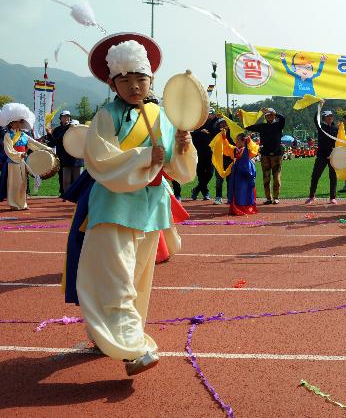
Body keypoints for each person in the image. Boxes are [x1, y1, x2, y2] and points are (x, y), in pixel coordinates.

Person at [70, 34, 196, 376]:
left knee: (139, 281)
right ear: (112, 83)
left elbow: (178, 170)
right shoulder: (106, 116)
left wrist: (182, 146)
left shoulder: (163, 116)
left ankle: (119, 336)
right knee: (117, 279)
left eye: (140, 78)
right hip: (114, 205)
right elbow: (100, 161)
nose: (133, 86)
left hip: (150, 207)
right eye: (124, 80)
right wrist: (144, 155)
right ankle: (132, 349)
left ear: (151, 79)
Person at [0, 103, 54, 210]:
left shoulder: (24, 135)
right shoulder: (8, 135)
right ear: (11, 124)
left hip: (23, 162)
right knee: (14, 183)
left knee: (23, 183)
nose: (18, 124)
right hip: (13, 161)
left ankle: (22, 203)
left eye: (20, 122)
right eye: (16, 122)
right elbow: (8, 150)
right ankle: (14, 204)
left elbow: (34, 144)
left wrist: (47, 149)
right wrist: (19, 154)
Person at [245, 107, 286, 205]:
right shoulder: (262, 126)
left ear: (274, 115)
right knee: (266, 177)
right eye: (267, 115)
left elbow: (283, 118)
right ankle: (268, 198)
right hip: (265, 155)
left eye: (271, 115)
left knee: (276, 177)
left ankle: (276, 197)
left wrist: (274, 112)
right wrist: (242, 117)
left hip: (277, 155)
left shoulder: (278, 125)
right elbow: (248, 127)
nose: (269, 116)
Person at [214, 131, 259, 216]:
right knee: (236, 189)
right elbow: (227, 148)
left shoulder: (248, 149)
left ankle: (247, 208)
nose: (236, 142)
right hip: (237, 172)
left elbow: (255, 149)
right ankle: (236, 208)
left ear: (243, 141)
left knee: (246, 189)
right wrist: (224, 139)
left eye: (238, 140)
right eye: (236, 140)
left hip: (246, 172)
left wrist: (249, 141)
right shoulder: (235, 150)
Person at [43, 110, 83, 196]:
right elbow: (54, 143)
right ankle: (65, 194)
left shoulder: (74, 127)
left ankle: (75, 196)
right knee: (64, 179)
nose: (66, 118)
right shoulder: (57, 129)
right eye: (64, 116)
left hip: (76, 158)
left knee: (76, 180)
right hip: (63, 157)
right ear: (60, 118)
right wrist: (49, 135)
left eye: (68, 116)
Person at [306, 109, 337, 204]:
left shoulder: (336, 128)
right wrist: (319, 107)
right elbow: (316, 119)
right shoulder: (321, 126)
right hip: (321, 155)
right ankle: (311, 196)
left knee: (333, 177)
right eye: (328, 116)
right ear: (324, 117)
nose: (330, 117)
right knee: (315, 175)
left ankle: (332, 197)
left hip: (332, 155)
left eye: (331, 115)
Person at [189, 108, 217, 200]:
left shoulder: (215, 123)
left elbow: (222, 126)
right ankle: (205, 192)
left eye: (210, 114)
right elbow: (190, 133)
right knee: (200, 173)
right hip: (199, 152)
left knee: (210, 172)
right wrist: (201, 131)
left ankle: (196, 189)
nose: (208, 115)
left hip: (210, 152)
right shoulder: (198, 123)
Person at [210, 118, 233, 204]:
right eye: (221, 123)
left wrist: (230, 116)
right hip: (219, 160)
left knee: (230, 180)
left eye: (225, 123)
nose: (223, 125)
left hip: (229, 160)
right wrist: (215, 118)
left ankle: (229, 197)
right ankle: (218, 197)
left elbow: (232, 124)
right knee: (219, 180)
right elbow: (211, 128)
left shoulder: (231, 133)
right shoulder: (216, 133)